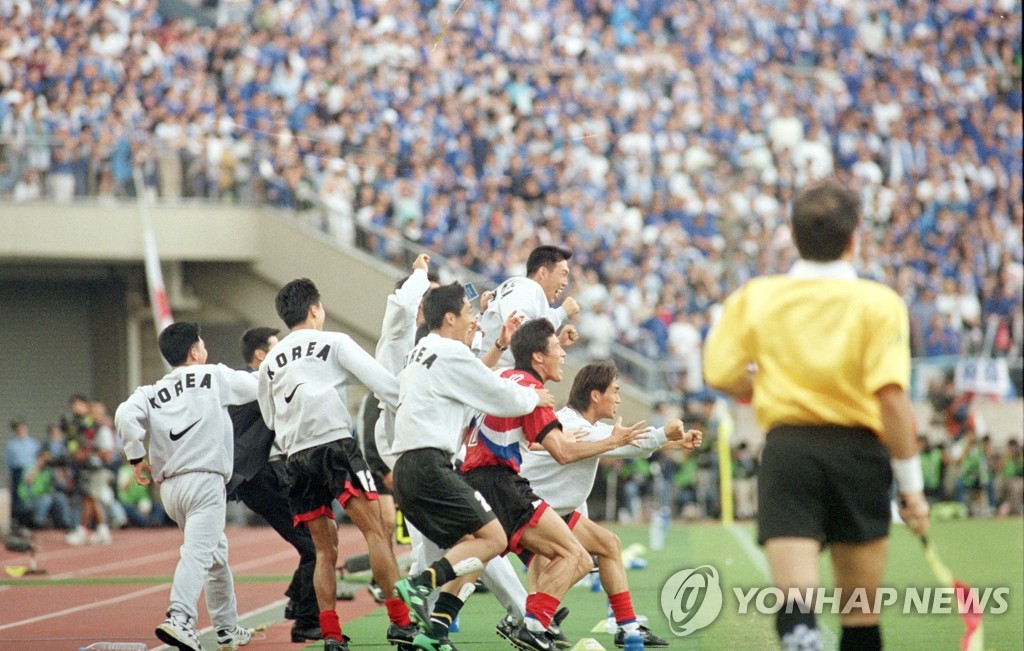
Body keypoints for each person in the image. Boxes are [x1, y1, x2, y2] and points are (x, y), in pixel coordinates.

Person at [703, 181, 929, 651]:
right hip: (860, 455)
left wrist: (769, 385)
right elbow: (891, 399)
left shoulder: (757, 297)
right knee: (861, 619)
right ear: (854, 237)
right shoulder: (880, 302)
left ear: (793, 233)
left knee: (796, 611)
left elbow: (719, 372)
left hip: (790, 453)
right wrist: (912, 490)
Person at [461, 318, 649, 651]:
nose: (563, 354)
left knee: (596, 547)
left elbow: (479, 394)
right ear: (537, 356)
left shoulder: (503, 378)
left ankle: (527, 621)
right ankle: (530, 622)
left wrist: (501, 345)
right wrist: (613, 442)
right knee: (574, 557)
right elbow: (562, 451)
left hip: (479, 479)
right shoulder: (533, 393)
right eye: (557, 348)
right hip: (504, 486)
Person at [389, 282, 554, 651]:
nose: (473, 320)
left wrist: (498, 347)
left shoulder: (422, 351)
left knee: (472, 548)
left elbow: (471, 382)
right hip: (430, 466)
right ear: (449, 318)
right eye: (468, 312)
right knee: (492, 540)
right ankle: (417, 586)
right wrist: (535, 397)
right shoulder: (449, 351)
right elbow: (499, 396)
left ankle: (435, 631)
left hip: (409, 471)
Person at [256, 278, 416, 651]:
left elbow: (269, 418)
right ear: (314, 309)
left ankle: (329, 632)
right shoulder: (334, 342)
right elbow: (385, 386)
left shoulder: (268, 365)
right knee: (377, 532)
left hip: (295, 456)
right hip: (335, 447)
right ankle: (401, 621)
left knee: (324, 551)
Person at [519, 360, 702, 648]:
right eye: (615, 391)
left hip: (551, 511)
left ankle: (627, 628)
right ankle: (533, 621)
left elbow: (620, 444)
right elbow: (621, 443)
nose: (618, 398)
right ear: (595, 395)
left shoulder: (579, 424)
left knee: (609, 545)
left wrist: (673, 443)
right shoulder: (573, 425)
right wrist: (665, 433)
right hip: (525, 511)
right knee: (576, 559)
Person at [114, 322, 256, 651]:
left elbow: (124, 415)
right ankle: (180, 617)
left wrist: (136, 458)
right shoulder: (215, 376)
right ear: (194, 351)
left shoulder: (150, 392)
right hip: (205, 481)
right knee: (197, 554)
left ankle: (226, 628)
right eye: (202, 343)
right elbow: (258, 385)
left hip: (171, 491)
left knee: (215, 556)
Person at [227, 327, 319, 643]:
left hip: (271, 472)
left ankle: (299, 599)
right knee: (316, 546)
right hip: (259, 477)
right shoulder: (253, 384)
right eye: (277, 348)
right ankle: (306, 618)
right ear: (260, 356)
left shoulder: (261, 382)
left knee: (317, 542)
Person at [477, 244, 580, 365]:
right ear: (543, 272)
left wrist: (558, 342)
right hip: (490, 374)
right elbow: (523, 339)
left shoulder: (521, 288)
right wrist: (562, 312)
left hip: (490, 370)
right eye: (563, 274)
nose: (565, 283)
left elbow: (526, 347)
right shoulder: (526, 288)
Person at [5, 418, 40, 528]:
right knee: (18, 498)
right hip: (17, 472)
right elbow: (8, 461)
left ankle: (31, 522)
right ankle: (19, 523)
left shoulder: (33, 443)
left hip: (31, 472)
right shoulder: (11, 445)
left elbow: (39, 459)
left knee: (31, 497)